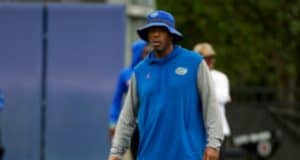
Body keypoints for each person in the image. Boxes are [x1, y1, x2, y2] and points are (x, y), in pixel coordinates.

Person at [108, 10, 224, 160]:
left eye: (161, 30)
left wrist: (213, 144)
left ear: (171, 34)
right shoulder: (140, 71)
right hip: (149, 155)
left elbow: (211, 105)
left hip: (189, 154)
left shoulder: (194, 63)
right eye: (151, 31)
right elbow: (127, 116)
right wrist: (116, 152)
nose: (155, 35)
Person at [109, 40, 150, 160]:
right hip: (133, 123)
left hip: (150, 121)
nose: (147, 55)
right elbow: (117, 99)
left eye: (149, 52)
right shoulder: (126, 74)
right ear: (138, 52)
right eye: (145, 52)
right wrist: (112, 120)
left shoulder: (152, 71)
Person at [194, 43, 231, 160]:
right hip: (196, 132)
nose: (211, 61)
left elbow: (221, 97)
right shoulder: (190, 76)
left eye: (211, 58)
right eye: (207, 58)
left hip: (218, 132)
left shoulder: (221, 77)